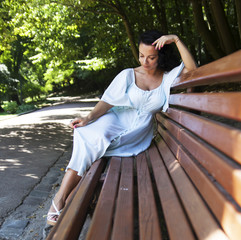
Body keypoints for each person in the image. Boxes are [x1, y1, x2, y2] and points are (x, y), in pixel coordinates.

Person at [46, 30, 197, 225]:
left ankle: (67, 198)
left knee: (94, 147)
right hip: (115, 120)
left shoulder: (168, 77)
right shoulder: (128, 75)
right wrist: (88, 118)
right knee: (89, 136)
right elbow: (107, 102)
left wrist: (176, 39)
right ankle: (59, 200)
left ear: (162, 56)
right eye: (142, 56)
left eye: (151, 57)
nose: (145, 62)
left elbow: (192, 69)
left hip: (138, 133)